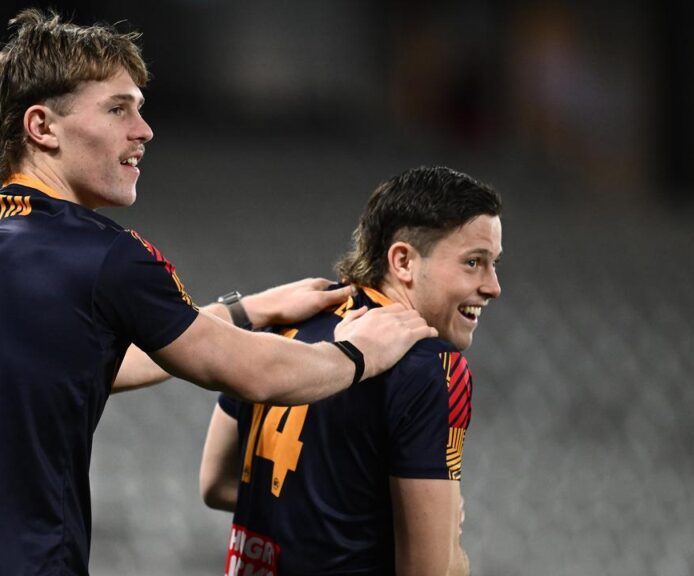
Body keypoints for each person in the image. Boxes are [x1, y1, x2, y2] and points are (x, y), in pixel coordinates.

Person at [0, 9, 435, 576]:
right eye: (118, 109)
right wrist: (360, 351)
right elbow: (257, 377)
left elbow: (65, 371)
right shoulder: (102, 254)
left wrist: (244, 310)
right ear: (42, 127)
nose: (143, 130)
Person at [199, 166, 503, 576]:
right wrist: (448, 545)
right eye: (473, 263)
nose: (493, 286)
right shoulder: (429, 366)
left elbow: (215, 483)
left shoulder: (286, 316)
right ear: (403, 261)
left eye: (493, 264)